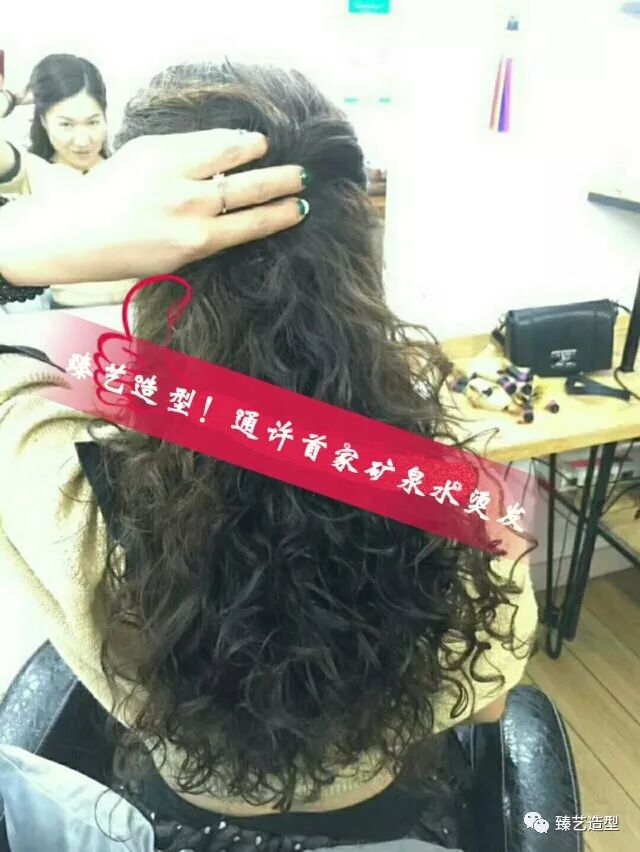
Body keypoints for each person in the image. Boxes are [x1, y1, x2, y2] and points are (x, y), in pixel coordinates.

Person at [0, 62, 538, 852]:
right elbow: (487, 705)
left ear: (137, 258)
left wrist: (21, 247)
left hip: (169, 815)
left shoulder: (50, 463)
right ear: (358, 246)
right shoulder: (456, 490)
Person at [0, 53, 132, 308]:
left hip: (141, 316)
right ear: (43, 121)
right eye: (66, 125)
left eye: (93, 122)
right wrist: (10, 98)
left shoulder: (129, 167)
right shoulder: (32, 171)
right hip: (67, 319)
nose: (83, 140)